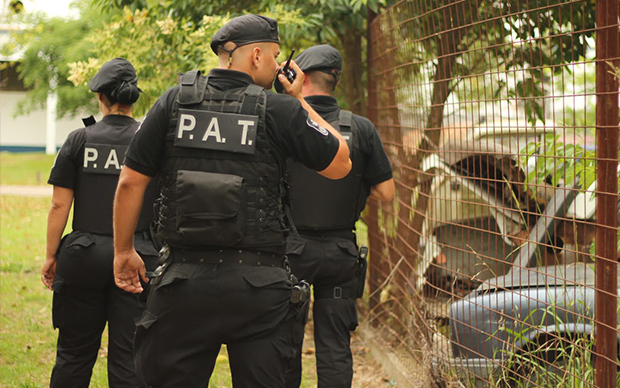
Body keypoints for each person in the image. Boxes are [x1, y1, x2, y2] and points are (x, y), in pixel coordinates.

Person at [112, 14, 352, 388]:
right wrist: (298, 98)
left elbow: (129, 182)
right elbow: (341, 163)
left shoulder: (173, 101)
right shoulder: (278, 109)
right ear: (256, 55)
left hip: (182, 283)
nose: (277, 69)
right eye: (274, 58)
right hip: (258, 288)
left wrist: (123, 250)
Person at [41, 57, 159, 388]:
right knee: (129, 358)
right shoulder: (150, 140)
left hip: (82, 257)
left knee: (73, 355)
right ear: (134, 98)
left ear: (100, 98)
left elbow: (59, 204)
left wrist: (52, 256)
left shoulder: (79, 140)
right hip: (138, 256)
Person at [283, 44, 395, 388]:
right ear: (336, 81)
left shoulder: (282, 121)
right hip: (340, 255)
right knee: (334, 345)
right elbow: (386, 193)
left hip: (291, 253)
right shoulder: (360, 128)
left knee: (285, 344)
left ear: (298, 78)